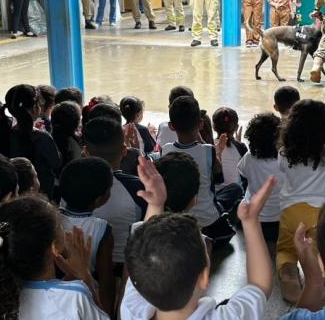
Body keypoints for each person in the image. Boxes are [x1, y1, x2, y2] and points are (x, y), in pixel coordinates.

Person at [122, 169, 274, 320]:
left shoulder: (133, 314)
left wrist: (155, 205)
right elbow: (260, 285)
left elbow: (142, 265)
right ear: (204, 276)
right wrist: (250, 222)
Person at [276, 100, 325, 303]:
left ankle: (289, 276)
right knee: (321, 251)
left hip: (291, 210)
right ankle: (319, 279)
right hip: (322, 212)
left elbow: (283, 172)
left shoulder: (284, 153)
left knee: (286, 249)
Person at [160, 96, 236, 246]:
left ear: (171, 126)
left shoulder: (165, 150)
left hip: (177, 219)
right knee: (234, 189)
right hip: (208, 221)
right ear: (201, 124)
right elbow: (219, 179)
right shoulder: (208, 151)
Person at [85, 117, 147, 271]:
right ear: (124, 150)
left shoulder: (74, 184)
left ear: (85, 152)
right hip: (127, 267)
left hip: (87, 266)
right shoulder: (138, 187)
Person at [58, 157, 116, 313]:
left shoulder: (51, 218)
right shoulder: (102, 229)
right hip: (85, 297)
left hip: (55, 295)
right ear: (99, 200)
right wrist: (107, 315)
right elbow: (106, 281)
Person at [0, 84, 61, 198]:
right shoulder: (41, 137)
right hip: (42, 196)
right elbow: (56, 162)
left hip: (14, 194)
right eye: (40, 103)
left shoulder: (3, 134)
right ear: (35, 107)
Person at [238, 113, 283, 241]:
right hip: (280, 220)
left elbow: (242, 173)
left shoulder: (249, 158)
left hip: (255, 219)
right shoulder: (285, 159)